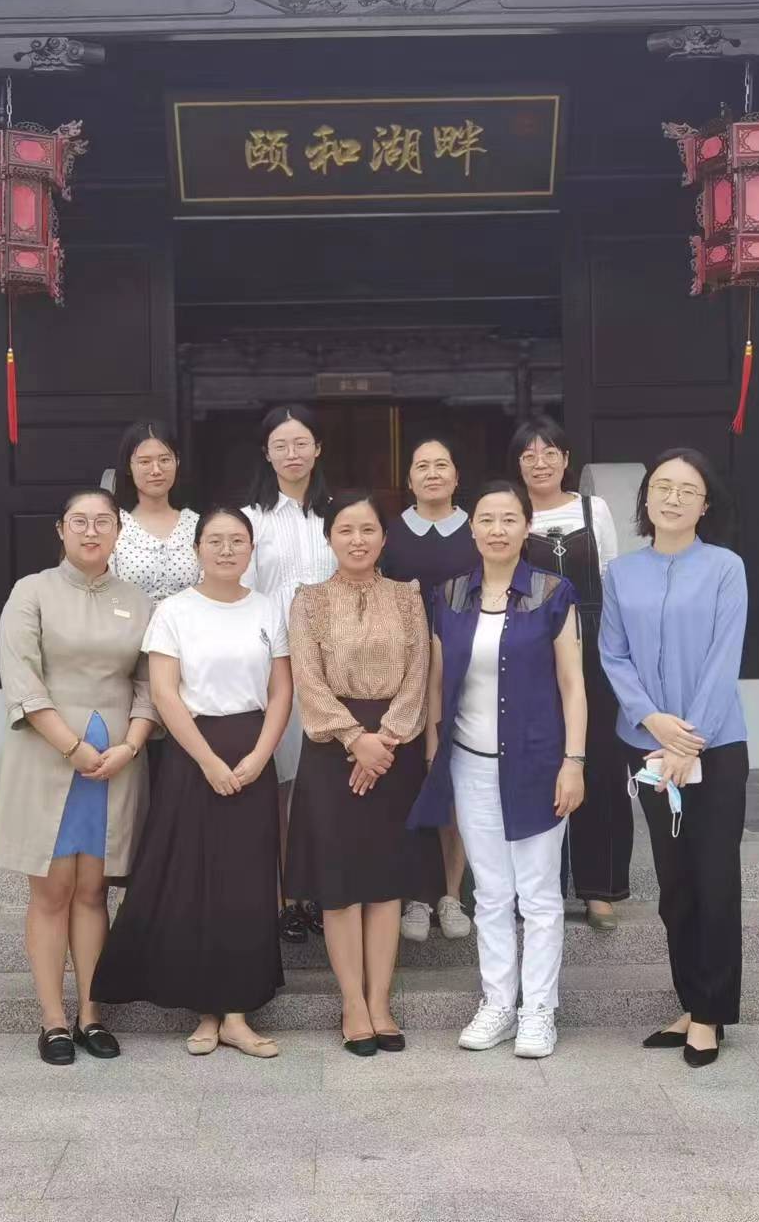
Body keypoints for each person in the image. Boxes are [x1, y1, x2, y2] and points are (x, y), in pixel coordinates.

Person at [92, 507, 293, 1059]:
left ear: (251, 550)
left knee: (248, 881)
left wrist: (260, 756)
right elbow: (163, 692)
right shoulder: (174, 611)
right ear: (197, 548)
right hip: (191, 753)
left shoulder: (267, 608)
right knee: (197, 878)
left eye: (237, 541)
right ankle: (205, 1013)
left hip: (253, 748)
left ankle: (238, 1014)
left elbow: (281, 690)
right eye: (215, 541)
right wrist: (207, 760)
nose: (227, 550)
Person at [408, 481, 587, 1060]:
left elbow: (573, 685)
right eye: (487, 519)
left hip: (538, 762)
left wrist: (574, 762)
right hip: (470, 762)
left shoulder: (553, 592)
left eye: (509, 518)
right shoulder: (450, 595)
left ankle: (539, 1010)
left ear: (526, 527)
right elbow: (436, 682)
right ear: (472, 528)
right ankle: (498, 1004)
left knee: (538, 894)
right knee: (489, 893)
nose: (497, 529)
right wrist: (434, 752)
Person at [0, 488, 157, 1067]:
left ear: (118, 533)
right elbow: (22, 678)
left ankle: (90, 1012)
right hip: (49, 757)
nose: (91, 531)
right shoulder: (31, 592)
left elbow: (149, 683)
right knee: (52, 890)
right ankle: (52, 1019)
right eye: (79, 521)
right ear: (60, 529)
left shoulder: (138, 601)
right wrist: (72, 746)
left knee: (93, 891)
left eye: (103, 522)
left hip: (116, 763)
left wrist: (131, 744)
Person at [600, 449, 748, 1069]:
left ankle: (711, 1013)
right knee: (674, 884)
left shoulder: (725, 568)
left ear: (705, 504)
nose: (673, 498)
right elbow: (613, 654)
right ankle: (691, 1001)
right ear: (646, 498)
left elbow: (724, 657)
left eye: (688, 490)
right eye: (662, 486)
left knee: (714, 879)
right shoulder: (621, 574)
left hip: (715, 747)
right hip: (647, 745)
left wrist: (690, 741)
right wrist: (652, 721)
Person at [285, 491, 442, 1055]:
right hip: (333, 752)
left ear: (383, 537)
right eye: (346, 530)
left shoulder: (407, 596)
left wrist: (387, 740)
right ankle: (352, 1002)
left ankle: (381, 1001)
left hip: (394, 752)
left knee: (384, 884)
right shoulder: (308, 601)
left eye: (368, 529)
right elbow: (307, 679)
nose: (358, 540)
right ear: (330, 538)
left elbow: (419, 673)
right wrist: (356, 740)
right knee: (341, 886)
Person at [512, 416, 629, 932]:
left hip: (593, 642)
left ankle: (600, 888)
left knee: (599, 762)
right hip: (533, 647)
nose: (539, 462)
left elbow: (611, 578)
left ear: (566, 460)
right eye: (528, 455)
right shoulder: (512, 512)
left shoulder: (592, 509)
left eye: (549, 453)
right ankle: (544, 888)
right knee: (541, 764)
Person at [241, 404, 337, 944]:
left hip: (335, 666)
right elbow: (243, 595)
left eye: (301, 443)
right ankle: (284, 896)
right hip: (273, 665)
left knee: (321, 785)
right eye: (281, 445)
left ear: (317, 448)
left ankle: (321, 890)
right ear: (267, 453)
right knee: (279, 785)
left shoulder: (337, 515)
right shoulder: (250, 520)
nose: (292, 453)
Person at [378, 437, 479, 945]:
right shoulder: (390, 534)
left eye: (442, 465)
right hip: (404, 673)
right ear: (409, 479)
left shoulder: (477, 528)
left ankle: (451, 894)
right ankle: (415, 894)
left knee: (454, 778)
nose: (433, 473)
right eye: (422, 466)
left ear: (457, 476)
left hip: (468, 667)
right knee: (409, 780)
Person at [110, 420, 200, 607]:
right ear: (128, 466)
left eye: (164, 460)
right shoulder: (113, 525)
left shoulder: (196, 524)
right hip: (129, 624)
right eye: (145, 462)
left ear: (177, 461)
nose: (156, 470)